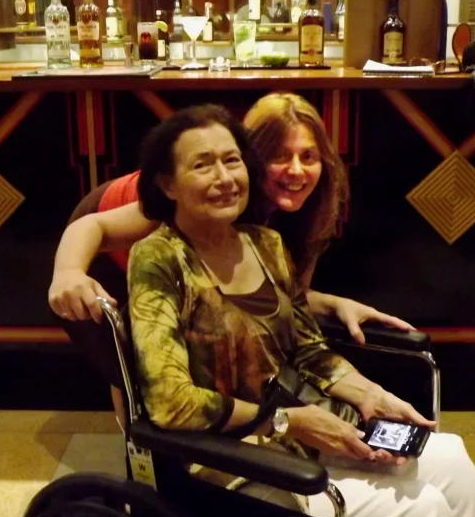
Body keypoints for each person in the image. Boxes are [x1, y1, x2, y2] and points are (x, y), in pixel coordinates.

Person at [127, 105, 475, 517]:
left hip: (297, 440)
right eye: (203, 165)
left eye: (232, 160)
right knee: (423, 513)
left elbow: (307, 349)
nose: (224, 177)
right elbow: (170, 402)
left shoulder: (264, 245)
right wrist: (287, 422)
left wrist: (372, 395)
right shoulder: (159, 258)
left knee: (448, 457)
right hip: (229, 471)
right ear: (167, 184)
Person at [49, 92, 413, 341]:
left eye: (309, 156)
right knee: (133, 356)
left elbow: (288, 296)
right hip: (103, 244)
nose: (297, 171)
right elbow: (92, 226)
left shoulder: (310, 210)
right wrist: (68, 272)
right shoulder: (209, 193)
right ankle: (137, 447)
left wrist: (336, 304)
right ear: (250, 159)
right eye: (279, 156)